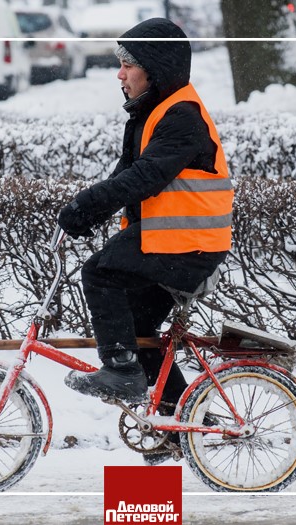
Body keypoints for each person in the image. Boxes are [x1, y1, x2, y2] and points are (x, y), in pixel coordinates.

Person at [57, 18, 233, 439]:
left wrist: (87, 206)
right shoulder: (153, 112)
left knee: (100, 273)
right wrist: (86, 213)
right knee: (139, 334)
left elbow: (145, 177)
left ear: (153, 68)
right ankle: (180, 425)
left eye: (126, 65)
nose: (119, 74)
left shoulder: (182, 116)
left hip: (188, 244)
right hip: (171, 240)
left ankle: (120, 372)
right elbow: (128, 174)